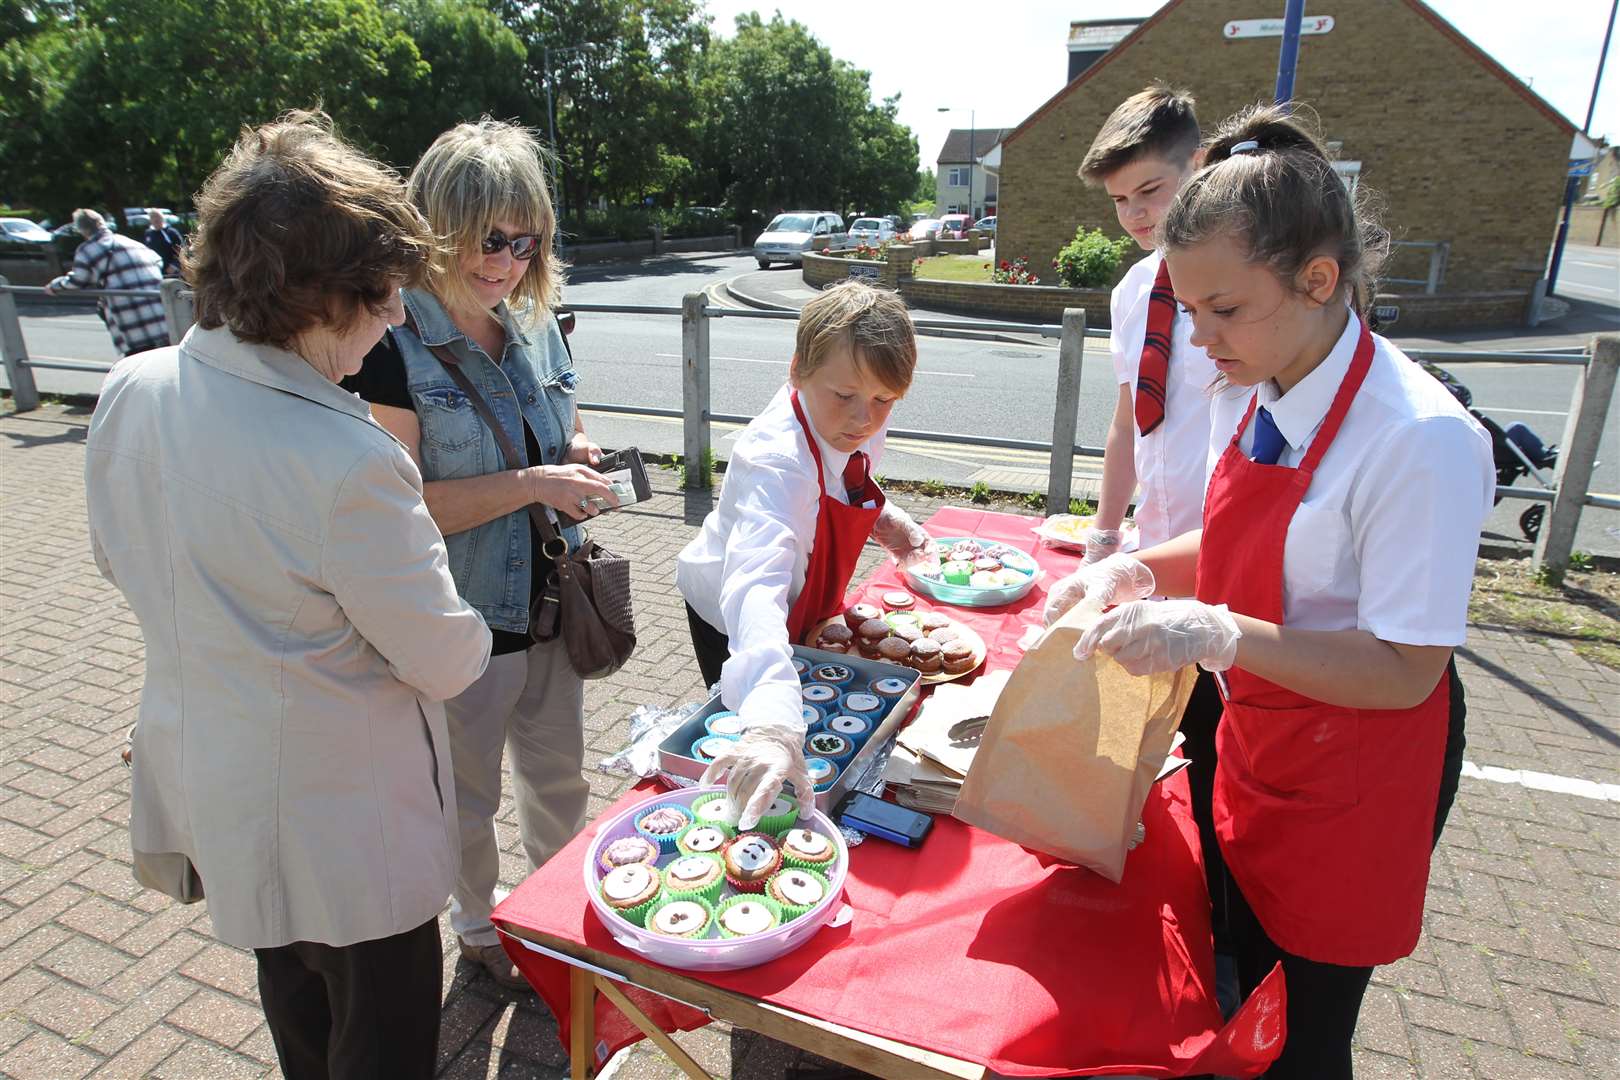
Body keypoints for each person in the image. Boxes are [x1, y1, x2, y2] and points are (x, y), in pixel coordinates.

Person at [1066, 105, 1493, 1077]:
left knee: (1300, 1040)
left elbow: (1404, 669)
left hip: (1353, 771)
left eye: (1224, 310)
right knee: (1240, 980)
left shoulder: (1417, 439)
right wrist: (1130, 566)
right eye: (1189, 307)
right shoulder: (1269, 379)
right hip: (1266, 740)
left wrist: (1216, 630)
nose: (1199, 338)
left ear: (1318, 279)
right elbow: (1249, 531)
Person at [84, 111, 492, 1078]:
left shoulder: (133, 388)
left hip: (226, 794)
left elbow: (119, 562)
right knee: (382, 1043)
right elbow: (444, 659)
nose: (397, 318)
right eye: (384, 296)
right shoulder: (348, 457)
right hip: (352, 833)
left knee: (298, 1014)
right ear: (318, 299)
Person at [342, 119, 615, 990]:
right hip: (459, 615)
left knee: (559, 779)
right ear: (436, 228)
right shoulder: (389, 344)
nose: (504, 260)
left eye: (523, 239)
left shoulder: (535, 321)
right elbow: (403, 504)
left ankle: (557, 919)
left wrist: (577, 453)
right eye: (485, 240)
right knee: (466, 798)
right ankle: (481, 931)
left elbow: (568, 417)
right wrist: (535, 482)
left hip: (553, 599)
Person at [1046, 82, 1234, 968]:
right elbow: (1128, 420)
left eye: (1150, 192)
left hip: (1228, 552)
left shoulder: (1239, 283)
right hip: (1158, 543)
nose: (1134, 215)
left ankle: (1221, 931)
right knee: (1156, 728)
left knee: (1222, 750)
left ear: (1200, 165)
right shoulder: (1132, 292)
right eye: (1120, 201)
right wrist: (1105, 534)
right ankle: (1165, 917)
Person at [677, 281, 933, 829]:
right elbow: (755, 584)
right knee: (763, 736)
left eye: (884, 400)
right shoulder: (775, 461)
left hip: (798, 604)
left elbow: (842, 477)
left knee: (819, 716)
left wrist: (886, 520)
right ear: (797, 369)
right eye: (845, 396)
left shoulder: (848, 409)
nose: (864, 419)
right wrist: (771, 720)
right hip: (734, 614)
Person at [45, 208, 168, 357]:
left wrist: (55, 285)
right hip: (162, 319)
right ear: (102, 223)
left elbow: (77, 280)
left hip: (133, 324)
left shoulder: (88, 249)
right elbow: (158, 262)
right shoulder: (131, 242)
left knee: (140, 367)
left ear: (82, 230)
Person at [144, 208, 185, 276]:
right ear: (150, 220)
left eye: (157, 216)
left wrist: (175, 265)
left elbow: (181, 250)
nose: (155, 219)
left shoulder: (171, 232)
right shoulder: (148, 234)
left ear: (162, 218)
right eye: (152, 217)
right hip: (156, 271)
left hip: (173, 271)